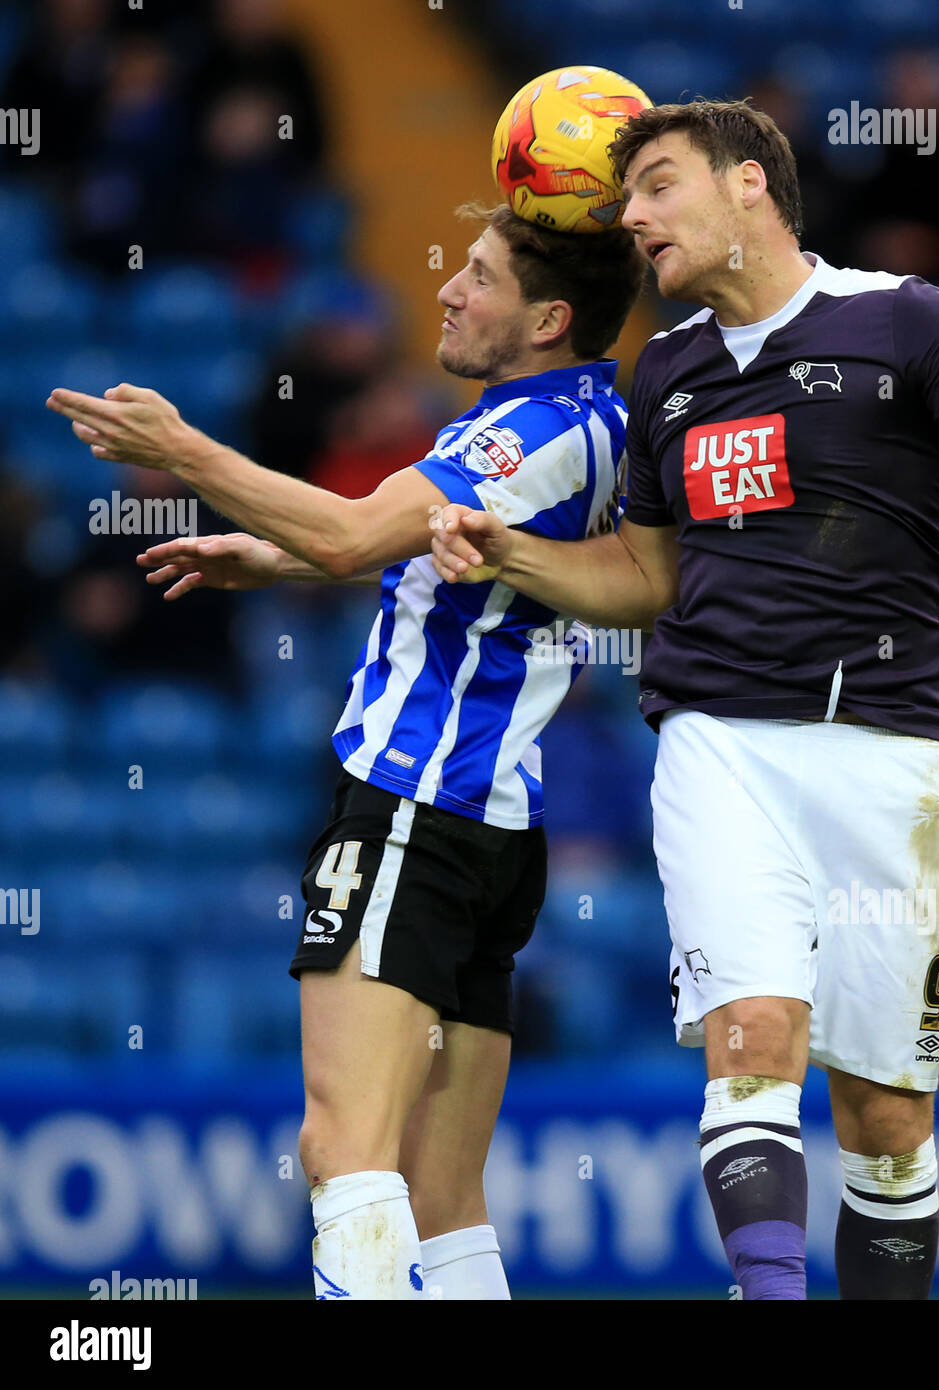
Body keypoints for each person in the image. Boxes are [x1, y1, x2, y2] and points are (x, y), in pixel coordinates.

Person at [430, 99, 939, 1301]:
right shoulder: (669, 375)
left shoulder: (902, 318)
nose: (630, 216)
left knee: (886, 1115)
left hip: (891, 757)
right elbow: (646, 576)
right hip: (719, 745)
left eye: (656, 187)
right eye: (626, 196)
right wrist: (511, 551)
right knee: (749, 1044)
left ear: (749, 183)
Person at [46, 203, 644, 1299]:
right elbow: (465, 568)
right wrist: (279, 562)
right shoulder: (599, 417)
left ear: (550, 316)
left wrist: (179, 448)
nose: (450, 291)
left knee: (344, 1151)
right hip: (495, 820)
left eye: (479, 276)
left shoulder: (517, 430)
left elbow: (355, 531)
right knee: (443, 1191)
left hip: (412, 802)